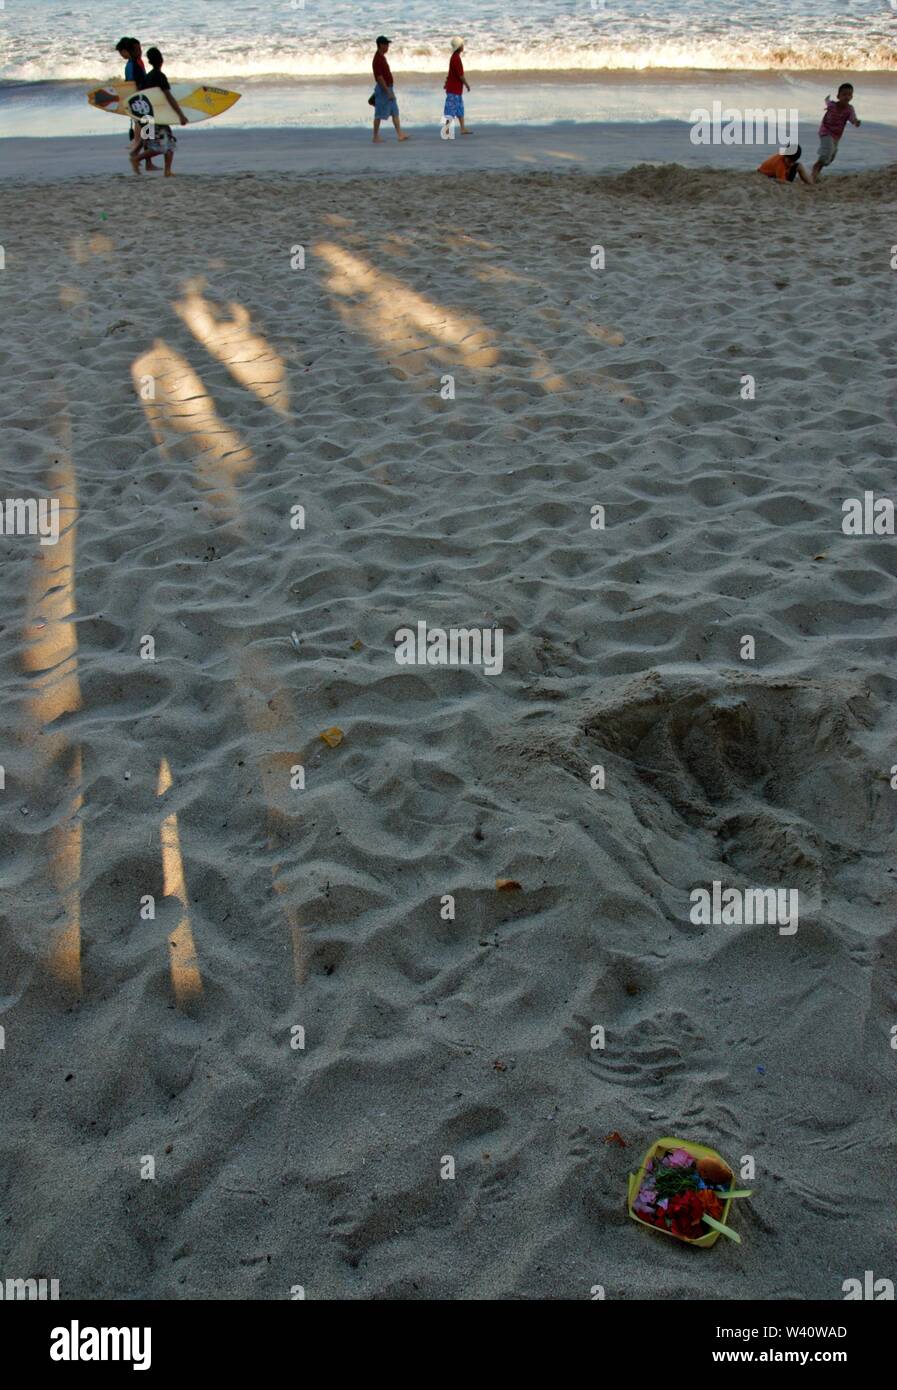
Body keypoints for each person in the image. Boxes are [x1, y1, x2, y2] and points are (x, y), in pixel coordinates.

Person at [130, 47, 188, 177]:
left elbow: (141, 97)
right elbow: (169, 97)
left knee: (169, 142)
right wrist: (181, 115)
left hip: (146, 115)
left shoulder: (148, 77)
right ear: (161, 60)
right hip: (155, 117)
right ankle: (136, 159)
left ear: (150, 62)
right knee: (161, 145)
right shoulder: (160, 76)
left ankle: (167, 171)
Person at [116, 37, 158, 170]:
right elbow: (137, 85)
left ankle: (145, 161)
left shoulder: (134, 63)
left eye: (140, 49)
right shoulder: (133, 64)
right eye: (137, 49)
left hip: (139, 102)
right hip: (140, 102)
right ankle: (140, 158)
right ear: (130, 51)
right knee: (147, 133)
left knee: (147, 133)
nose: (140, 51)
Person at [811, 83, 861, 183]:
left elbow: (852, 118)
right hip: (826, 131)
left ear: (852, 96)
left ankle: (818, 170)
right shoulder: (832, 105)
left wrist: (856, 122)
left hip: (836, 136)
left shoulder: (849, 109)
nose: (847, 97)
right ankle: (814, 173)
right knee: (826, 154)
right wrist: (827, 99)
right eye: (844, 94)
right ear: (838, 96)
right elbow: (827, 102)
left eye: (849, 94)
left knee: (830, 158)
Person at [371, 36, 408, 142]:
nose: (388, 46)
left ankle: (400, 134)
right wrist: (387, 91)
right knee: (378, 114)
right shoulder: (377, 59)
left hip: (388, 88)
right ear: (381, 45)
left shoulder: (381, 57)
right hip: (384, 90)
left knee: (395, 112)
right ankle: (375, 136)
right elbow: (379, 77)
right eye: (386, 44)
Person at [444, 37, 472, 134]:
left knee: (459, 109)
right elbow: (461, 75)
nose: (463, 46)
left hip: (456, 89)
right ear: (459, 47)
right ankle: (446, 130)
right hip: (453, 89)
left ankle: (462, 128)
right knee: (451, 109)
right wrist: (467, 85)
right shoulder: (456, 58)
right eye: (462, 45)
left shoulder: (455, 57)